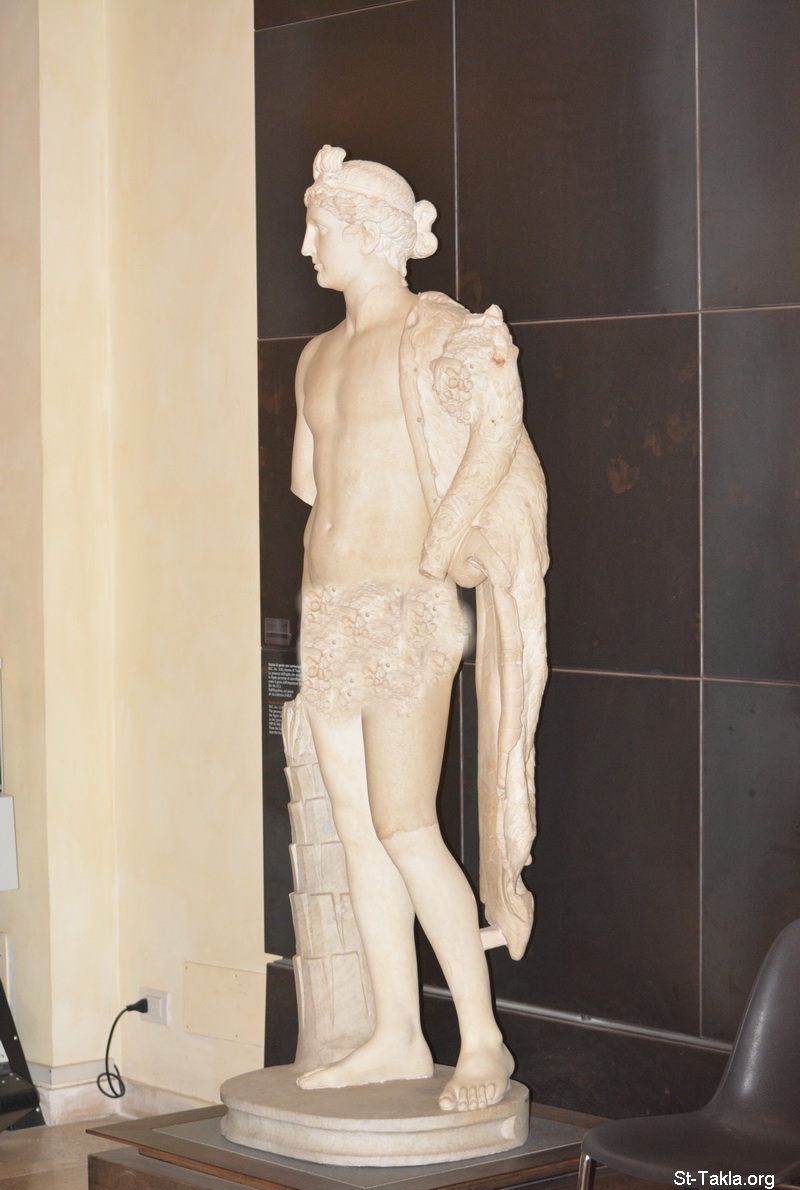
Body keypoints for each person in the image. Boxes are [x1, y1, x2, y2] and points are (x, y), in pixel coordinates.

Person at [290, 147, 547, 1113]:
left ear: (370, 234)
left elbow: (499, 430)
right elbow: (312, 486)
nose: (308, 245)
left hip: (406, 607)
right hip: (327, 611)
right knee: (358, 831)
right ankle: (398, 1034)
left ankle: (481, 1039)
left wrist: (444, 541)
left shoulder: (435, 331)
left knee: (405, 825)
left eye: (321, 226)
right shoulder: (317, 356)